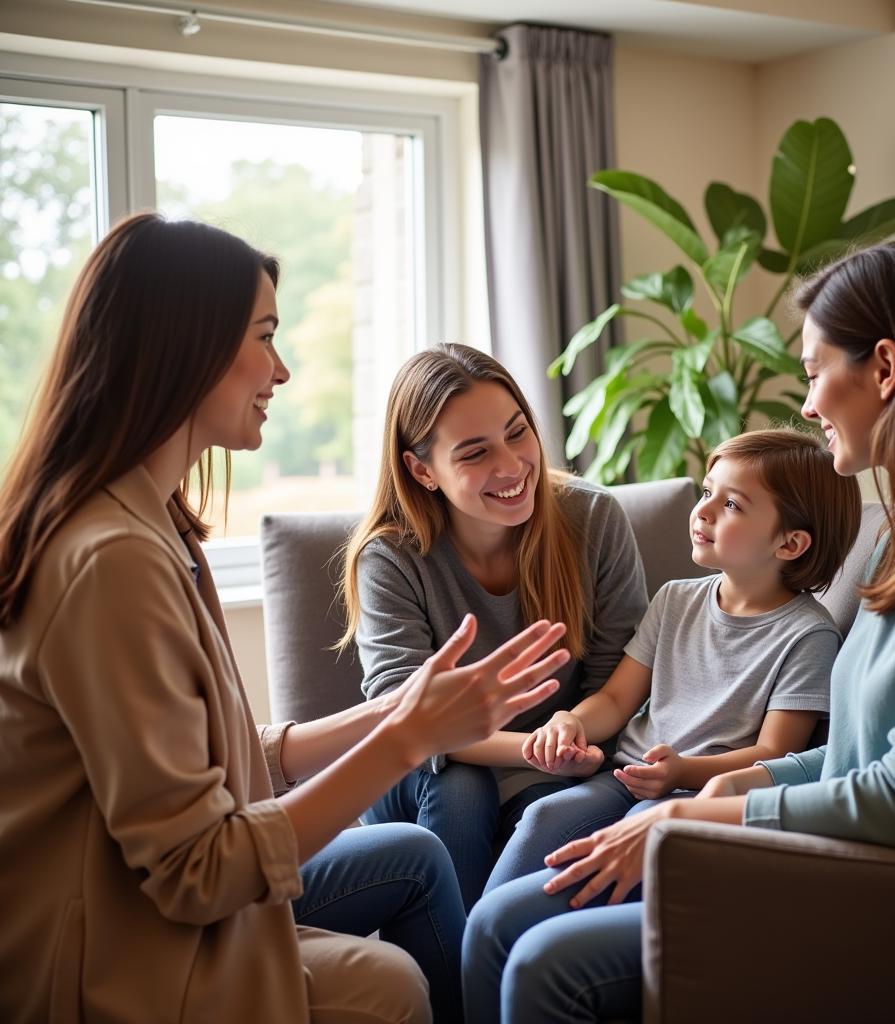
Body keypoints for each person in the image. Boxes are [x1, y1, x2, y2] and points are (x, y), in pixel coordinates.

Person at [0, 212, 571, 1024]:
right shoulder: (110, 561)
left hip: (143, 908)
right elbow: (198, 869)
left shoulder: (152, 524)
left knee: (410, 878)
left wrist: (397, 713)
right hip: (116, 951)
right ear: (183, 346)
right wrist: (407, 740)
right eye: (265, 335)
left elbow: (219, 762)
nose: (284, 370)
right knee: (390, 986)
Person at [462, 239, 895, 1023]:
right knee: (496, 925)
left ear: (886, 370)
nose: (807, 405)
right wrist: (745, 783)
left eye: (815, 371)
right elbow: (860, 754)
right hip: (848, 853)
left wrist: (686, 811)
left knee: (545, 963)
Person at [484, 427, 861, 893]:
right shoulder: (674, 600)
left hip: (697, 793)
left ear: (790, 544)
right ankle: (483, 940)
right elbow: (617, 700)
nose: (701, 510)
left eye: (731, 505)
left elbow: (774, 755)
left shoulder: (808, 635)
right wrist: (570, 719)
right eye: (707, 492)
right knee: (544, 813)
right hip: (624, 775)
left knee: (642, 831)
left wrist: (683, 771)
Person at [340, 343, 650, 909]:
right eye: (475, 453)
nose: (510, 467)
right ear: (421, 470)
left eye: (518, 433)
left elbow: (618, 680)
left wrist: (566, 730)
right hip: (421, 767)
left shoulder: (593, 519)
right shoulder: (390, 558)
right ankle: (461, 985)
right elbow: (408, 719)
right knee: (460, 789)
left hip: (558, 752)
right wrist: (536, 747)